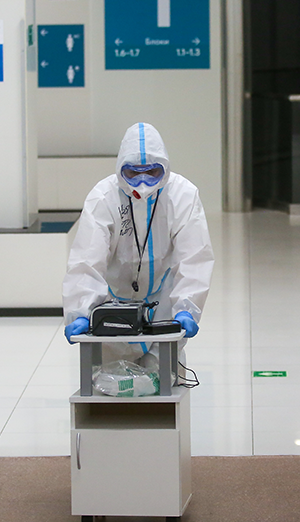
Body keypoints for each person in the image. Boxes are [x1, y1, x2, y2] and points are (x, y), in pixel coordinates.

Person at [62, 122, 214, 371]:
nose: (143, 182)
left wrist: (187, 307)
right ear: (120, 169)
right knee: (111, 380)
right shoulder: (103, 197)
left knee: (162, 376)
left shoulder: (183, 195)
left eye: (152, 172)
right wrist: (81, 310)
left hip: (164, 302)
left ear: (165, 168)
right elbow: (87, 260)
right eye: (133, 173)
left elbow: (194, 257)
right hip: (113, 304)